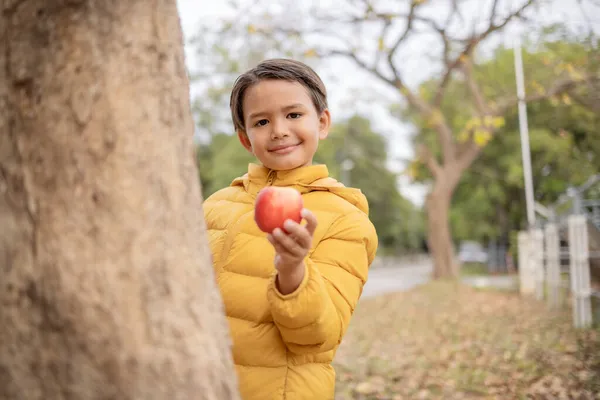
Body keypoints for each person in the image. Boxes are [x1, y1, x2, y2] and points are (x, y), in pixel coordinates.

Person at [203, 58, 378, 400]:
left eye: (294, 115)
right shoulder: (215, 205)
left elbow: (317, 336)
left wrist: (292, 268)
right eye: (262, 121)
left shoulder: (347, 220)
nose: (279, 129)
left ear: (322, 122)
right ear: (244, 138)